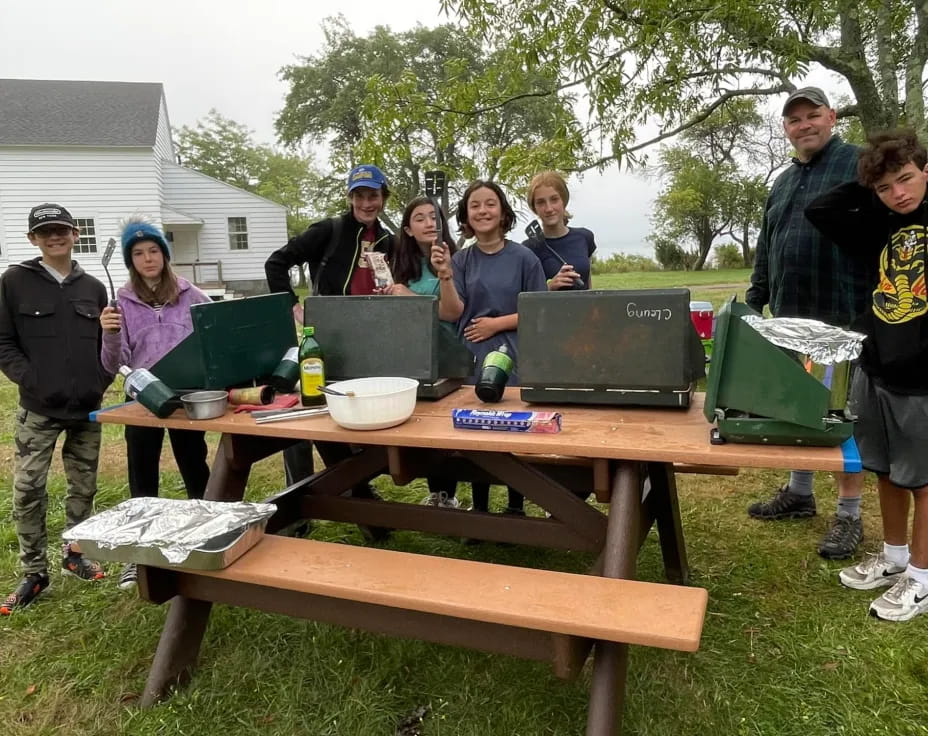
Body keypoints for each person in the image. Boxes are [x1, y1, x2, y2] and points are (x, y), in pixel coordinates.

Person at [805, 129, 928, 621]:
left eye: (906, 179)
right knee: (886, 470)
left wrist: (887, 175)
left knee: (923, 479)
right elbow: (821, 211)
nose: (898, 194)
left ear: (925, 171)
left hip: (922, 375)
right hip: (876, 363)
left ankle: (921, 577)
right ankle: (895, 555)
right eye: (886, 188)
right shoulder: (878, 221)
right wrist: (870, 180)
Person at [744, 87, 872, 559]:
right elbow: (768, 243)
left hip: (843, 317)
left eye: (812, 115)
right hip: (789, 314)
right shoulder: (781, 181)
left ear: (832, 117)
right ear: (786, 129)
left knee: (843, 416)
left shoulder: (860, 165)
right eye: (794, 119)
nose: (804, 125)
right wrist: (757, 299)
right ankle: (800, 493)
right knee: (798, 407)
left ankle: (850, 514)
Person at [264, 164, 395, 523]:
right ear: (351, 198)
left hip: (371, 341)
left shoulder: (388, 239)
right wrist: (292, 307)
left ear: (383, 198)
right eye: (360, 195)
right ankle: (299, 502)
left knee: (358, 416)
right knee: (311, 412)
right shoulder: (330, 230)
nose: (367, 203)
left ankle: (357, 491)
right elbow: (276, 263)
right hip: (326, 340)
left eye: (373, 195)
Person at [0, 204, 111, 614]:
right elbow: (3, 342)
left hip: (86, 409)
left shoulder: (94, 288)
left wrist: (100, 381)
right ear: (33, 239)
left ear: (74, 234)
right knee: (28, 490)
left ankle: (74, 553)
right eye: (45, 232)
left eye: (61, 230)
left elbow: (107, 344)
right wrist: (31, 379)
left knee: (83, 486)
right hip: (39, 409)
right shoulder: (13, 283)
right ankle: (33, 572)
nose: (54, 237)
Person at [99, 217, 212, 590]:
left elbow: (213, 332)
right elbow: (114, 363)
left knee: (194, 465)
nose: (148, 259)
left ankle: (208, 538)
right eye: (138, 253)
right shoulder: (122, 302)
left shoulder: (190, 294)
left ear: (164, 254)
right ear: (130, 260)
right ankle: (140, 554)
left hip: (184, 395)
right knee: (142, 472)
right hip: (143, 396)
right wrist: (110, 333)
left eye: (153, 251)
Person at [451, 180, 547, 515]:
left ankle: (515, 506)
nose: (482, 211)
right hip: (474, 353)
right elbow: (456, 310)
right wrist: (443, 277)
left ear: (503, 211)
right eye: (475, 205)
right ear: (466, 214)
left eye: (490, 204)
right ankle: (479, 508)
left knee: (511, 431)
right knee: (477, 431)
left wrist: (497, 323)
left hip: (515, 353)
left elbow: (539, 311)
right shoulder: (461, 260)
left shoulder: (524, 258)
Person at [383, 196, 463, 508]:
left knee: (449, 429)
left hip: (451, 353)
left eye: (434, 216)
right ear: (408, 229)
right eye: (420, 218)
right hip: (415, 355)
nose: (429, 223)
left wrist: (411, 296)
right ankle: (439, 494)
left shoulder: (455, 259)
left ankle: (451, 495)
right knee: (424, 426)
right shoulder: (402, 266)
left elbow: (452, 312)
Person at [523, 170, 597, 290]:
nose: (549, 208)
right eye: (541, 202)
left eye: (554, 199)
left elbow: (587, 282)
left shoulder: (584, 237)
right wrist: (550, 287)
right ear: (534, 208)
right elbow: (525, 298)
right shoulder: (528, 249)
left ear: (564, 201)